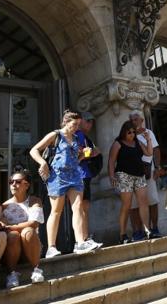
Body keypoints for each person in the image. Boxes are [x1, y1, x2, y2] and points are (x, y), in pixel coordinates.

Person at [29, 110, 101, 257]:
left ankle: (80, 242)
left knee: (78, 207)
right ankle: (51, 247)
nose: (76, 127)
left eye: (78, 125)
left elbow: (76, 158)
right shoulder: (55, 135)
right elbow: (34, 150)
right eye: (74, 124)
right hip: (57, 176)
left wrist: (84, 154)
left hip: (75, 175)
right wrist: (42, 163)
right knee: (56, 211)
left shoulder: (75, 138)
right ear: (66, 122)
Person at [108, 119, 154, 243]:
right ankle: (122, 234)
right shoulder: (118, 143)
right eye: (129, 132)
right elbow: (111, 161)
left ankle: (147, 230)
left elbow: (149, 153)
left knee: (144, 202)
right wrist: (111, 176)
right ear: (124, 132)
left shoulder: (137, 142)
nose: (132, 135)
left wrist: (148, 139)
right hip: (124, 175)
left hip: (139, 175)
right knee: (126, 205)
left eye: (133, 132)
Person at [0, 169, 45, 288]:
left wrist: (13, 227)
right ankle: (12, 274)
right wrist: (12, 229)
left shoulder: (35, 201)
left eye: (18, 181)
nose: (13, 185)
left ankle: (36, 270)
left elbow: (34, 224)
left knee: (28, 231)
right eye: (11, 182)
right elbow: (4, 226)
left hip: (31, 247)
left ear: (27, 185)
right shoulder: (4, 206)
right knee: (13, 235)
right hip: (12, 249)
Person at [128, 110, 163, 239]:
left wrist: (158, 167)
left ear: (142, 120)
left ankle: (154, 228)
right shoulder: (126, 134)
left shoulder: (149, 133)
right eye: (132, 119)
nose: (134, 122)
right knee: (134, 203)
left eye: (136, 119)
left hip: (148, 169)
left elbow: (156, 150)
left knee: (153, 200)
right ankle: (138, 231)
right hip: (131, 171)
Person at [74, 112, 102, 243]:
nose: (90, 124)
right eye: (88, 121)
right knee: (81, 208)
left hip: (85, 174)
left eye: (92, 121)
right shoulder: (78, 135)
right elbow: (80, 153)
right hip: (81, 174)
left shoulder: (85, 136)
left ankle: (85, 237)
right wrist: (92, 153)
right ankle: (82, 239)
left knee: (84, 207)